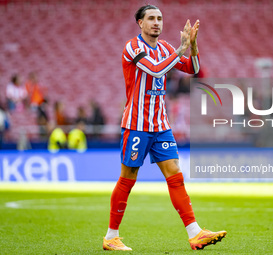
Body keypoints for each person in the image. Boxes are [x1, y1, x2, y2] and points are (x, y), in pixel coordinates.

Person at [103, 5, 226, 251]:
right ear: (140, 23)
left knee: (175, 175)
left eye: (159, 18)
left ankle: (195, 233)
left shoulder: (166, 48)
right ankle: (111, 237)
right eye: (151, 18)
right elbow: (156, 69)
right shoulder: (133, 47)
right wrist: (180, 48)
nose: (156, 22)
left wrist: (192, 45)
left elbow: (192, 69)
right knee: (128, 178)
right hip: (137, 125)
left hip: (161, 125)